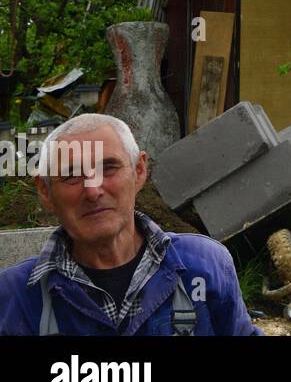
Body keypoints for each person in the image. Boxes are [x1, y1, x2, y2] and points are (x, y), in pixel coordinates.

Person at [0, 113, 262, 335]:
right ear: (45, 191)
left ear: (139, 171)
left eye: (109, 167)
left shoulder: (204, 265)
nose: (93, 190)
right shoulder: (16, 296)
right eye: (71, 175)